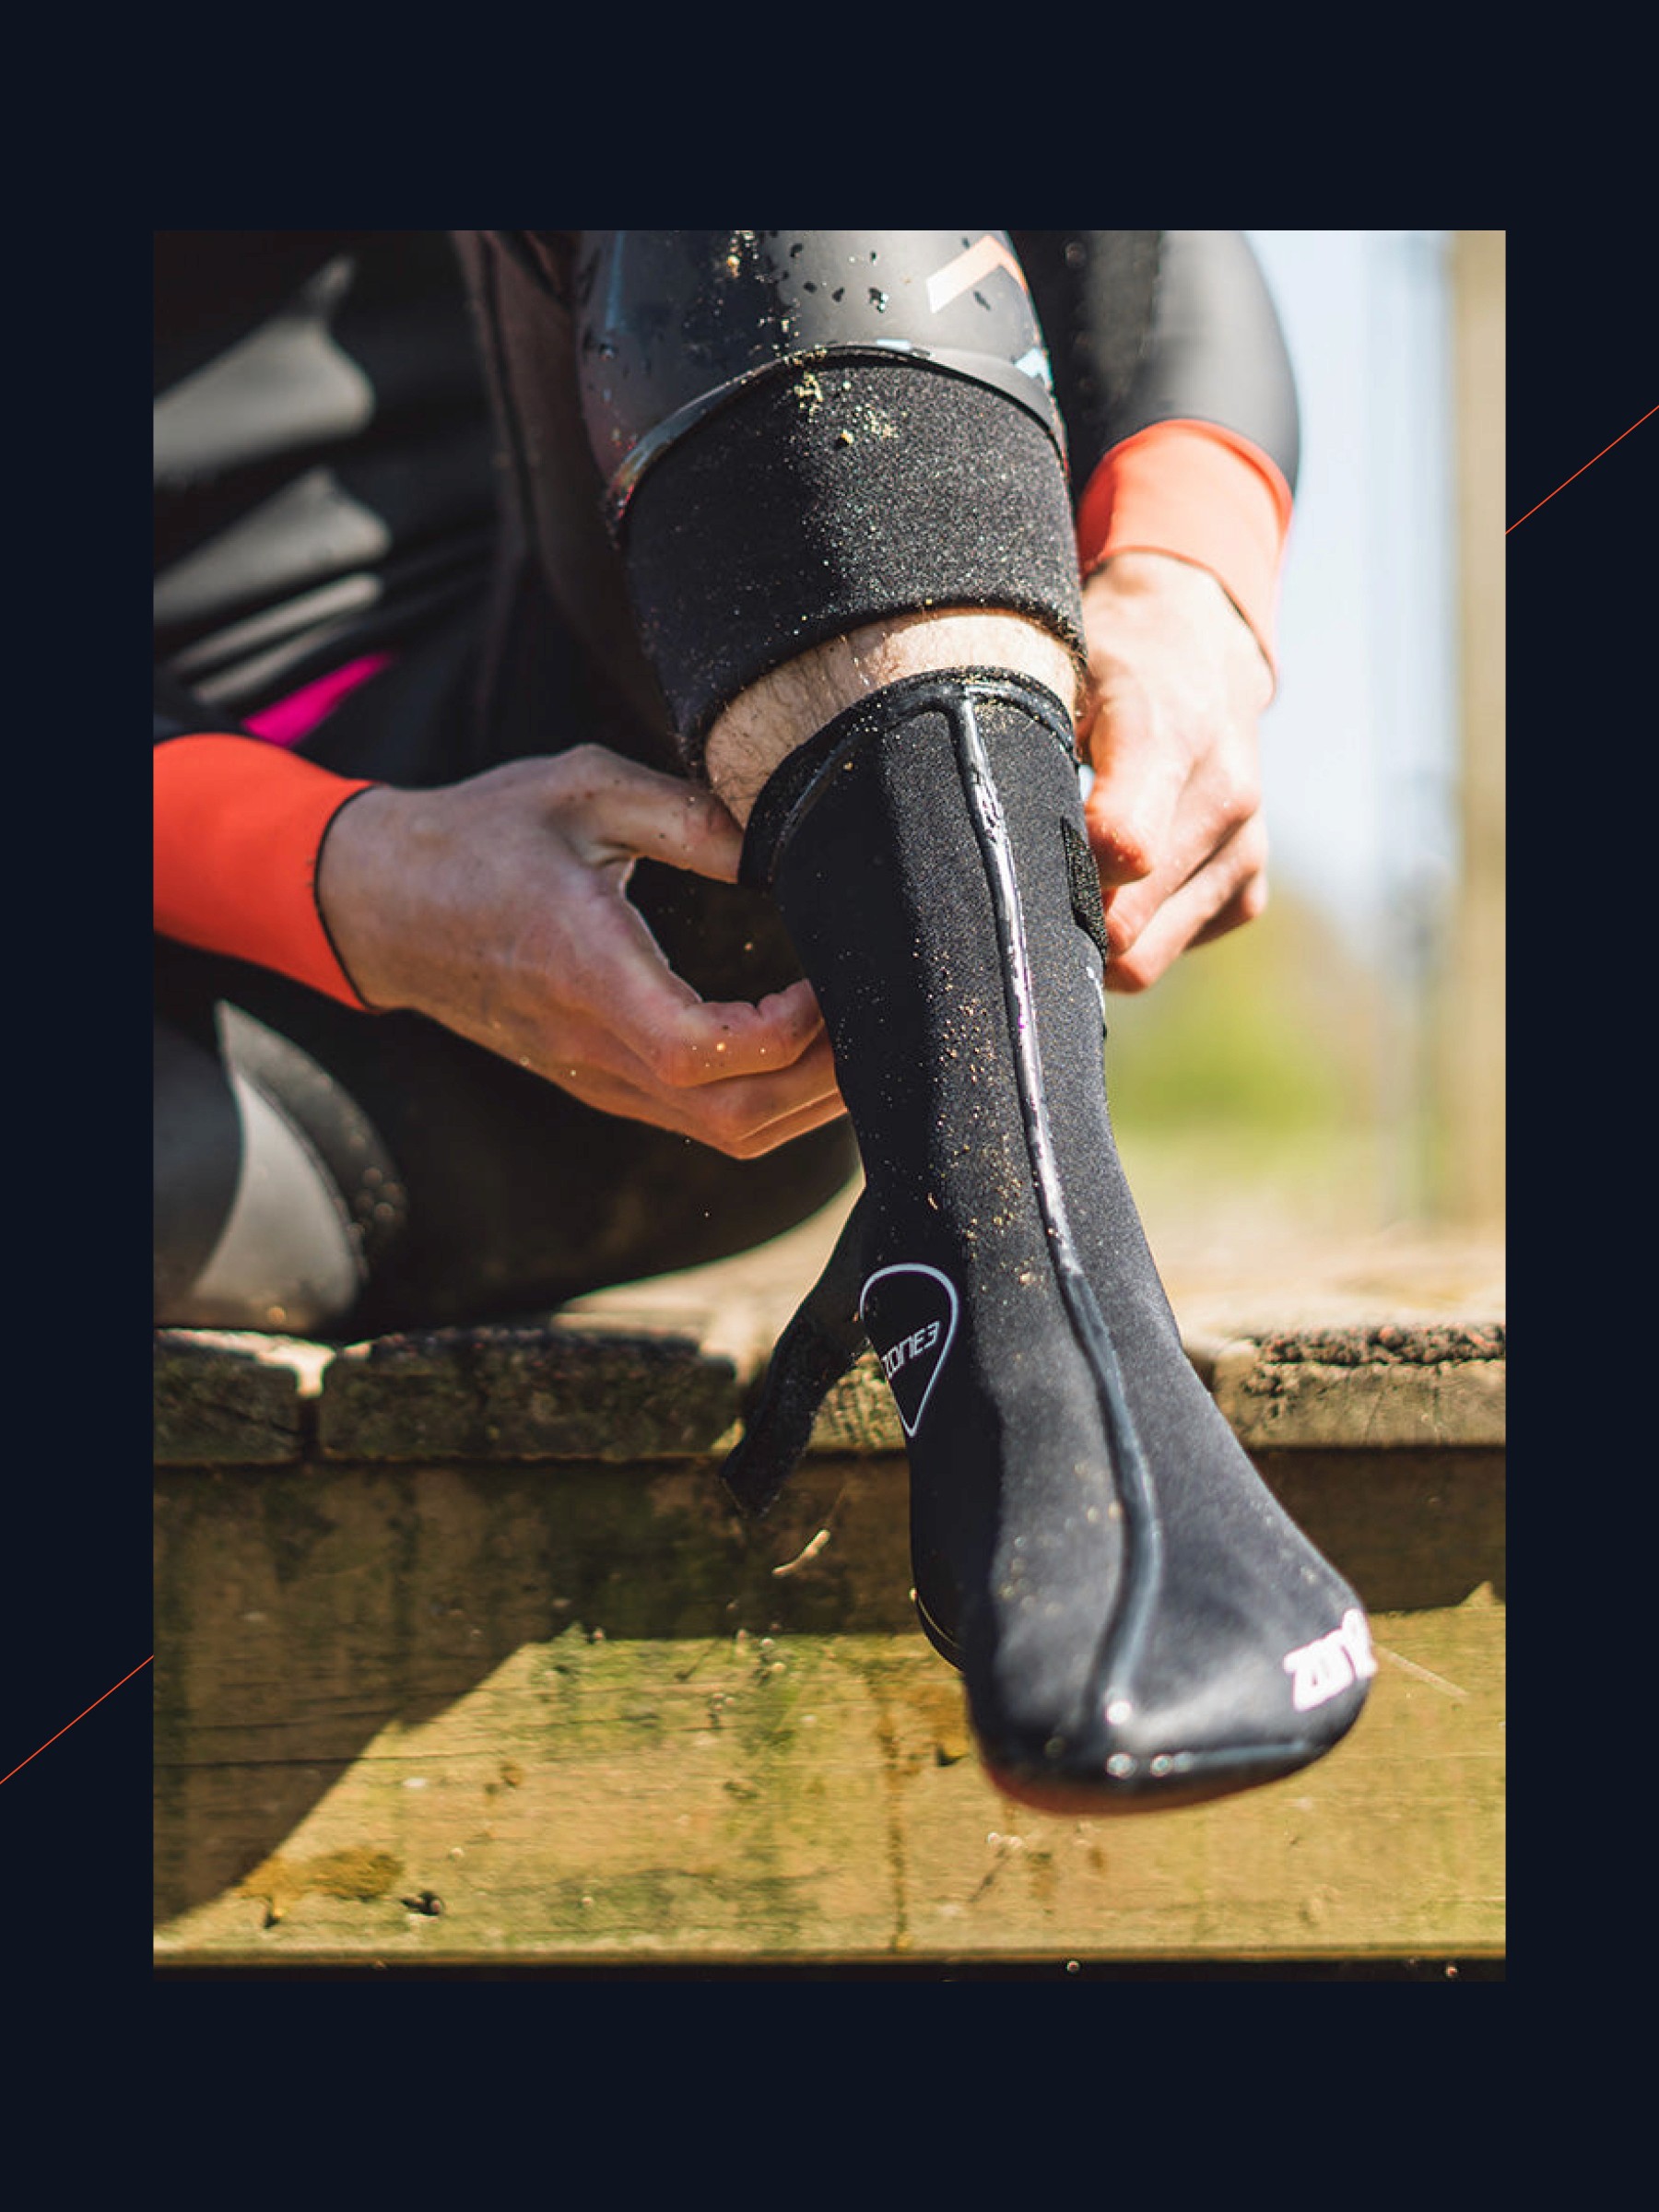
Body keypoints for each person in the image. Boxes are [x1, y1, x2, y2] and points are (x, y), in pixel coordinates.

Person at [155, 231, 1374, 1810]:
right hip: (234, 1044)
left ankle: (1021, 1277)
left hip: (696, 805)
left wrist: (1187, 577)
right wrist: (337, 871)